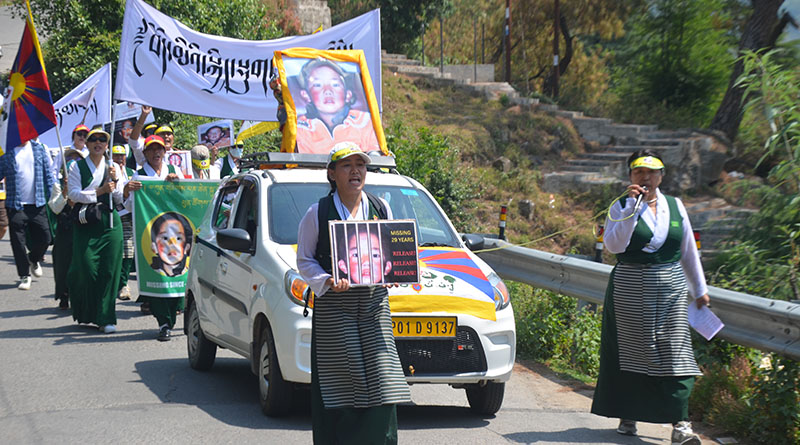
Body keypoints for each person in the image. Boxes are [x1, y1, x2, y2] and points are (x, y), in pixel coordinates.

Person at [590, 149, 710, 445]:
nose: (646, 177)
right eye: (639, 172)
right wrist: (632, 207)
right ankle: (628, 414)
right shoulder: (620, 206)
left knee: (675, 353)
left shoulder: (675, 205)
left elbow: (687, 251)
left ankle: (681, 423)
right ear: (630, 176)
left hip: (669, 289)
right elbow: (615, 245)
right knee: (631, 352)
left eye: (652, 172)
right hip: (629, 288)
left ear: (661, 175)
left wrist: (701, 290)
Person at [296, 142, 410, 444]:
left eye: (360, 165)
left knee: (384, 384)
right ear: (332, 173)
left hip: (374, 308)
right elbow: (304, 260)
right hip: (335, 309)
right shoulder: (317, 213)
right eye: (346, 165)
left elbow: (393, 253)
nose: (355, 171)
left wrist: (393, 274)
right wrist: (327, 281)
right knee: (342, 386)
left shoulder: (380, 207)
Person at [124, 135, 182, 341]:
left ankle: (174, 317)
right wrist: (127, 191)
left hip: (175, 234)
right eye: (152, 149)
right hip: (151, 235)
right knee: (158, 276)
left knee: (177, 276)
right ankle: (164, 323)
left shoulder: (175, 172)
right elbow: (130, 207)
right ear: (145, 153)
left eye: (160, 149)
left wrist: (178, 186)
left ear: (165, 152)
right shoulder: (138, 176)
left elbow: (187, 200)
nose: (156, 153)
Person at [66, 128, 123, 334]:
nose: (98, 143)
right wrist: (99, 191)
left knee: (109, 271)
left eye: (102, 140)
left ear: (107, 145)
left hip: (110, 222)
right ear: (87, 144)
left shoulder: (113, 166)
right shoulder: (76, 167)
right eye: (93, 140)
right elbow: (72, 194)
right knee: (87, 269)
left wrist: (116, 183)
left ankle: (106, 317)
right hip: (86, 223)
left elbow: (120, 199)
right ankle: (88, 311)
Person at [0, 138, 54, 290]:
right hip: (15, 205)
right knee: (18, 242)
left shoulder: (38, 149)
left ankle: (33, 258)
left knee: (46, 238)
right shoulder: (6, 151)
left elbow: (48, 176)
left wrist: (53, 199)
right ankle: (24, 275)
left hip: (37, 204)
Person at [294, 58, 380, 155]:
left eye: (335, 84)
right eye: (317, 85)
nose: (327, 90)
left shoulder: (365, 121)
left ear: (348, 94)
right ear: (306, 95)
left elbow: (375, 153)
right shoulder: (301, 126)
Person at [49, 146, 86, 309]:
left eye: (77, 160)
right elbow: (55, 207)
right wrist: (65, 191)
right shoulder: (57, 184)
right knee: (63, 263)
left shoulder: (86, 182)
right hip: (65, 229)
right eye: (69, 160)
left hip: (82, 226)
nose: (73, 163)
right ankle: (64, 296)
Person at [112, 144, 135, 301]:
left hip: (131, 215)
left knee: (129, 251)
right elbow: (115, 196)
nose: (119, 159)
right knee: (117, 251)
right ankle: (117, 283)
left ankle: (123, 283)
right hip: (115, 214)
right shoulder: (109, 173)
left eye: (122, 155)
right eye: (116, 155)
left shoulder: (132, 173)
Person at [148, 211, 193, 277]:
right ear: (154, 246)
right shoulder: (150, 274)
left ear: (187, 246)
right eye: (165, 238)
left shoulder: (190, 273)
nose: (172, 244)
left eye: (178, 238)